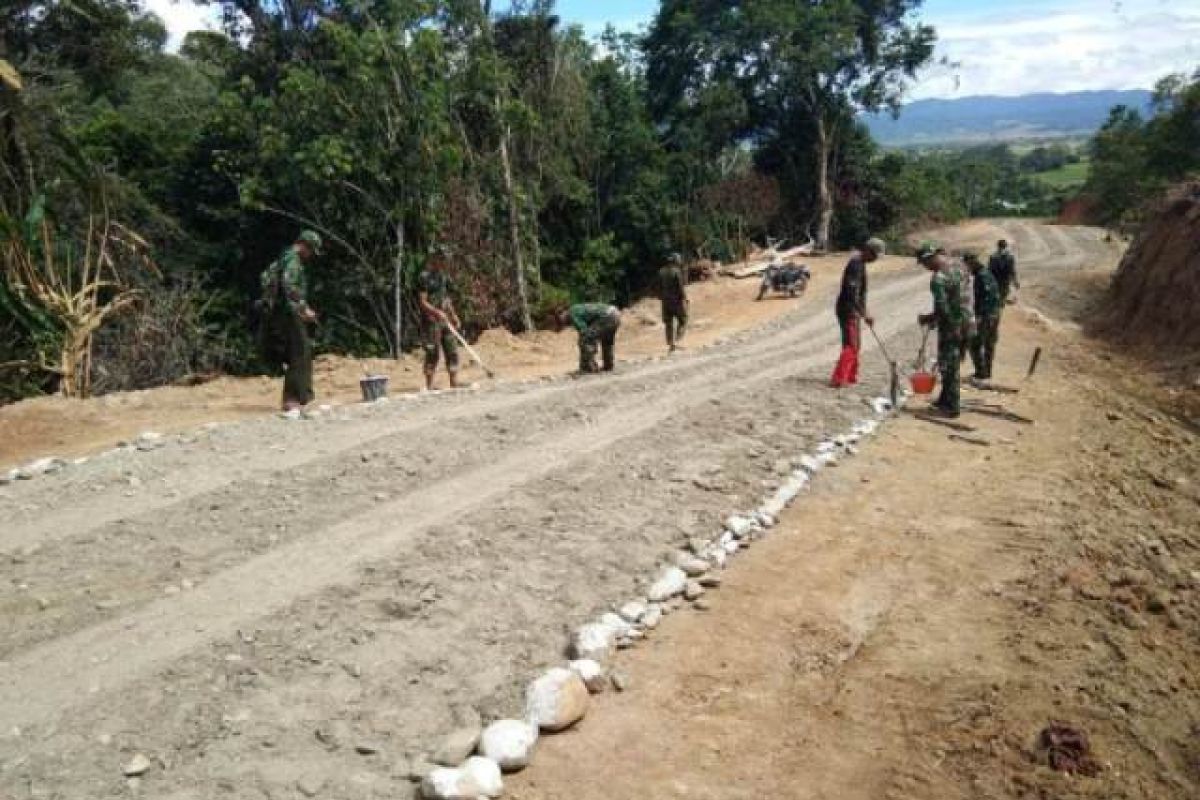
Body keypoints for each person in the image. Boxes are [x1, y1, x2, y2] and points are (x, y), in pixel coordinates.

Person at [260, 229, 322, 411]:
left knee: (297, 352)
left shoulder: (283, 258)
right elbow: (290, 287)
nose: (310, 256)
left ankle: (302, 397)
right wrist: (304, 309)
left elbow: (265, 278)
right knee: (299, 352)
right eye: (311, 251)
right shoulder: (293, 261)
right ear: (305, 245)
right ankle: (293, 398)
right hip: (288, 312)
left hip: (280, 312)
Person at [916, 242, 969, 417]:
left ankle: (952, 406)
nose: (925, 268)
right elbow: (964, 296)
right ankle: (945, 399)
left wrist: (929, 318)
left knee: (949, 364)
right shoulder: (960, 267)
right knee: (950, 361)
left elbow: (943, 308)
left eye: (924, 264)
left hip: (951, 325)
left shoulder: (938, 278)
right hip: (966, 321)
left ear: (929, 259)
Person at [829, 237, 886, 388]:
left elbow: (861, 294)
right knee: (851, 344)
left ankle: (851, 376)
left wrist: (865, 312)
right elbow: (851, 292)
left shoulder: (861, 264)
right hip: (848, 309)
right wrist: (863, 313)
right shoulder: (855, 264)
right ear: (867, 250)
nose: (875, 259)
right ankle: (839, 378)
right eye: (874, 255)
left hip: (853, 310)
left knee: (855, 344)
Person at [417, 246, 461, 390]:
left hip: (444, 319)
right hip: (431, 321)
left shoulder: (442, 277)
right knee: (432, 352)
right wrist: (436, 312)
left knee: (452, 349)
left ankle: (454, 382)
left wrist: (453, 315)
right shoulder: (424, 277)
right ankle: (429, 385)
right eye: (442, 259)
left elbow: (446, 299)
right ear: (435, 259)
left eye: (446, 260)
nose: (445, 263)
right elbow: (422, 302)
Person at [965, 252, 1001, 381]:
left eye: (967, 266)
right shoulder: (987, 273)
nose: (967, 269)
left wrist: (980, 315)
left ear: (972, 263)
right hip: (994, 314)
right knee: (989, 344)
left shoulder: (982, 276)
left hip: (986, 315)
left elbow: (986, 296)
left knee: (974, 343)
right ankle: (987, 372)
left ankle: (981, 372)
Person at [559, 303, 621, 373]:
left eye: (560, 317)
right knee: (606, 341)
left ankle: (588, 367)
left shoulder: (572, 313)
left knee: (586, 339)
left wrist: (585, 342)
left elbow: (584, 331)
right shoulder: (578, 308)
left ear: (564, 312)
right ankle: (608, 365)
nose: (561, 321)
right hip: (615, 313)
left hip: (606, 316)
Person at [658, 253, 689, 352]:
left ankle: (670, 344)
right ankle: (677, 341)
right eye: (679, 260)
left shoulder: (661, 272)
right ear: (676, 261)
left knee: (668, 323)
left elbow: (657, 287)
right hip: (676, 300)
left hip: (665, 301)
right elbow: (680, 286)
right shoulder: (676, 272)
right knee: (683, 320)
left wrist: (661, 297)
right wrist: (685, 298)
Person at [989, 239, 1019, 304]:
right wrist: (1015, 281)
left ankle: (998, 307)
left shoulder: (993, 256)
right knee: (1002, 296)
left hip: (996, 280)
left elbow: (990, 269)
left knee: (998, 297)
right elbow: (1012, 270)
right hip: (1005, 280)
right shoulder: (1010, 257)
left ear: (998, 246)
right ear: (1006, 246)